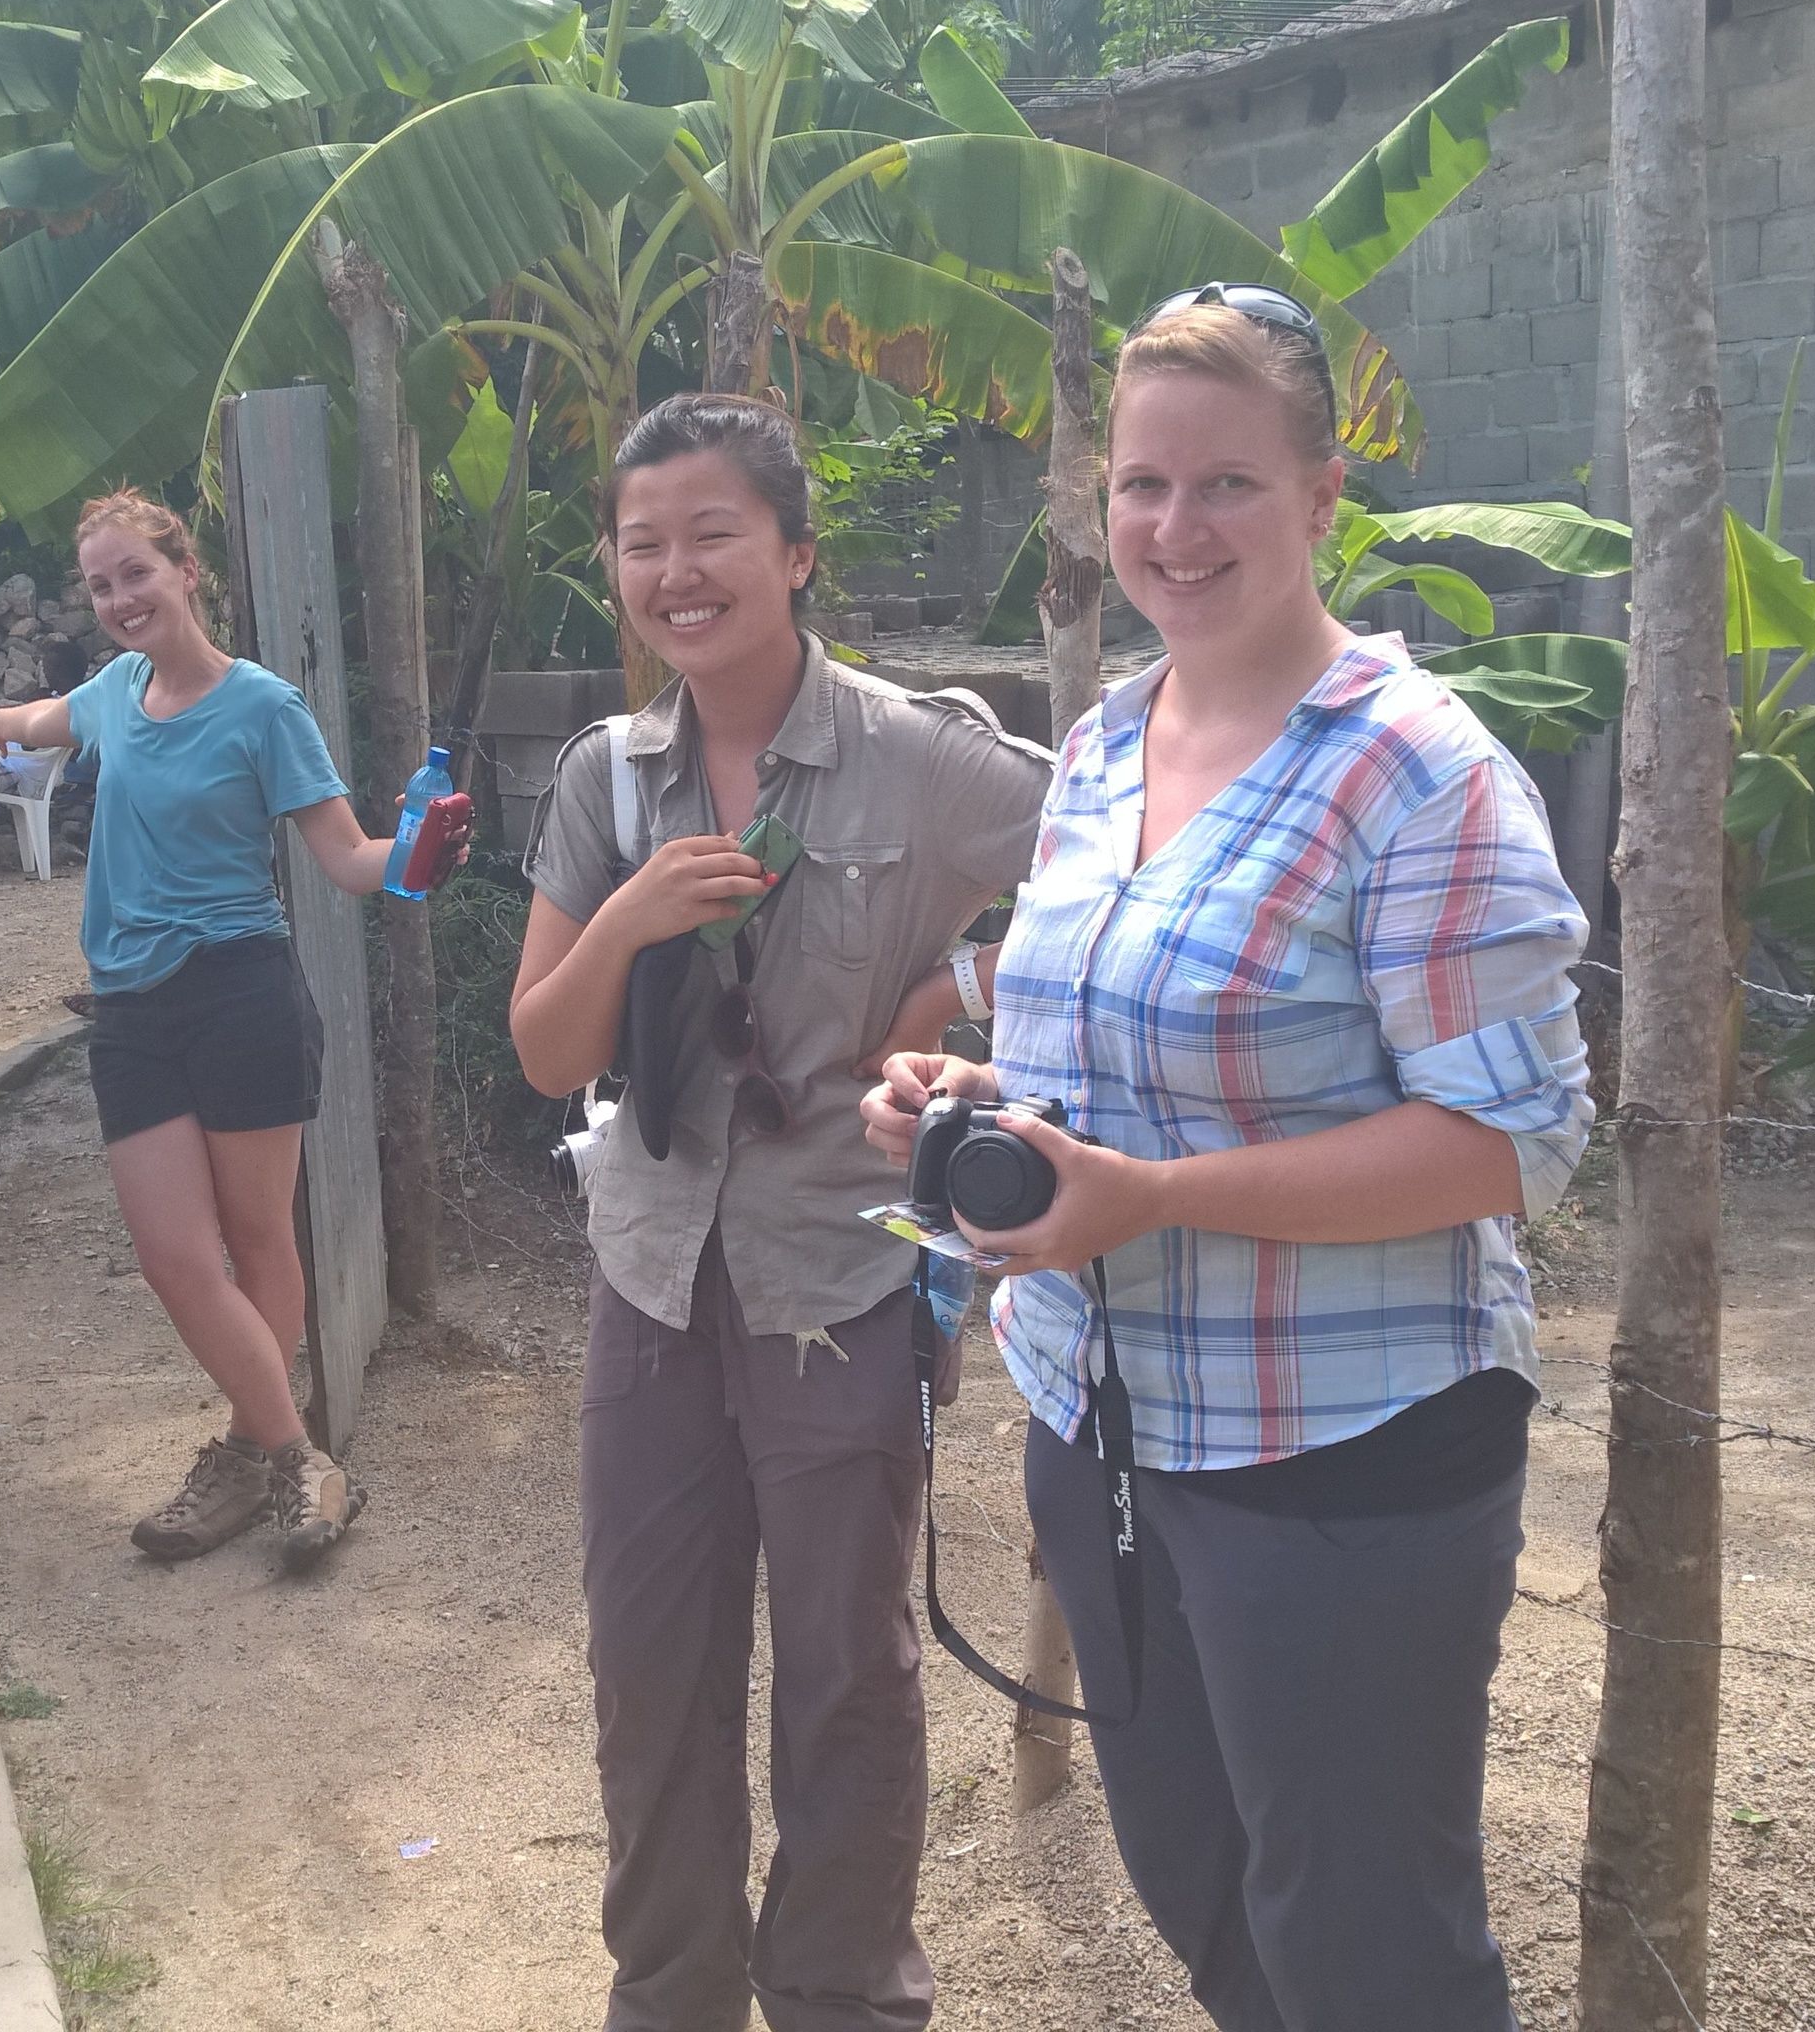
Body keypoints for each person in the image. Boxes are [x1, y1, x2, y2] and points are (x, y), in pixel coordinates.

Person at [861, 285, 1594, 2032]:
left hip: (1337, 1457)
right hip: (1105, 1425)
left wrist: (1163, 1199)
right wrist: (971, 1100)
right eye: (1140, 487)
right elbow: (1107, 1056)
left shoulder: (1421, 773)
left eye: (1227, 486)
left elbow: (1510, 1140)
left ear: (1324, 496)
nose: (1175, 530)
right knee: (1205, 1895)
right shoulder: (1108, 745)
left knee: (1368, 1947)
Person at [506, 394, 1050, 2032]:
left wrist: (959, 984)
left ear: (796, 554)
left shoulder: (920, 753)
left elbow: (1139, 878)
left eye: (712, 533)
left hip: (844, 1275)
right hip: (656, 1281)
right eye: (641, 541)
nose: (675, 570)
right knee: (650, 1677)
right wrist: (631, 922)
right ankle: (668, 1998)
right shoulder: (610, 778)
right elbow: (548, 1047)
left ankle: (841, 1997)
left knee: (848, 1683)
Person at [0, 490, 399, 1573]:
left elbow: (344, 858)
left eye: (135, 574)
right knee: (172, 1257)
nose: (118, 598)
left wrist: (422, 851)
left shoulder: (263, 707)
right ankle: (297, 1453)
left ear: (185, 572)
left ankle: (253, 1458)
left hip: (240, 989)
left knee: (256, 1243)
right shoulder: (113, 692)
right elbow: (28, 724)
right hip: (131, 1008)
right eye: (101, 584)